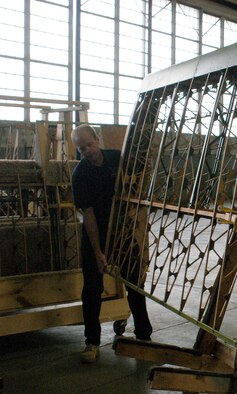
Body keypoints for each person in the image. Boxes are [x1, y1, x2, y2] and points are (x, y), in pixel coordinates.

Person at [71, 124, 153, 364]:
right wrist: (98, 252)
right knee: (92, 289)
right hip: (96, 233)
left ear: (97, 139)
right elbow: (89, 214)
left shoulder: (118, 158)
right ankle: (92, 343)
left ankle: (144, 338)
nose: (87, 150)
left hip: (123, 231)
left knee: (135, 284)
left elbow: (139, 177)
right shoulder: (80, 174)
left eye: (89, 144)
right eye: (81, 147)